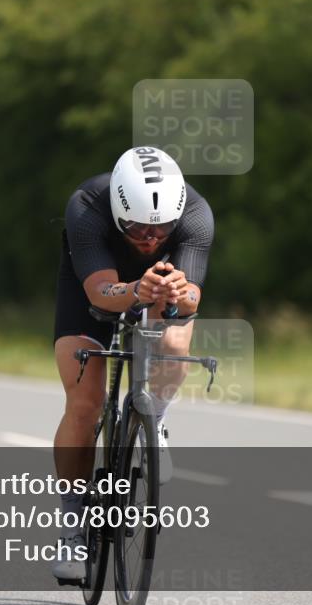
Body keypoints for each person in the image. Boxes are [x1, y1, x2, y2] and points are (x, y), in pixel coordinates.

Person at [51, 146, 214, 580]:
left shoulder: (196, 214)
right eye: (138, 227)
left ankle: (154, 419)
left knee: (176, 345)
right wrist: (136, 290)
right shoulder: (87, 207)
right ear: (118, 209)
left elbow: (194, 296)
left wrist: (181, 294)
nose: (150, 238)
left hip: (156, 289)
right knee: (84, 404)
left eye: (162, 229)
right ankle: (72, 525)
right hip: (93, 288)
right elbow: (100, 293)